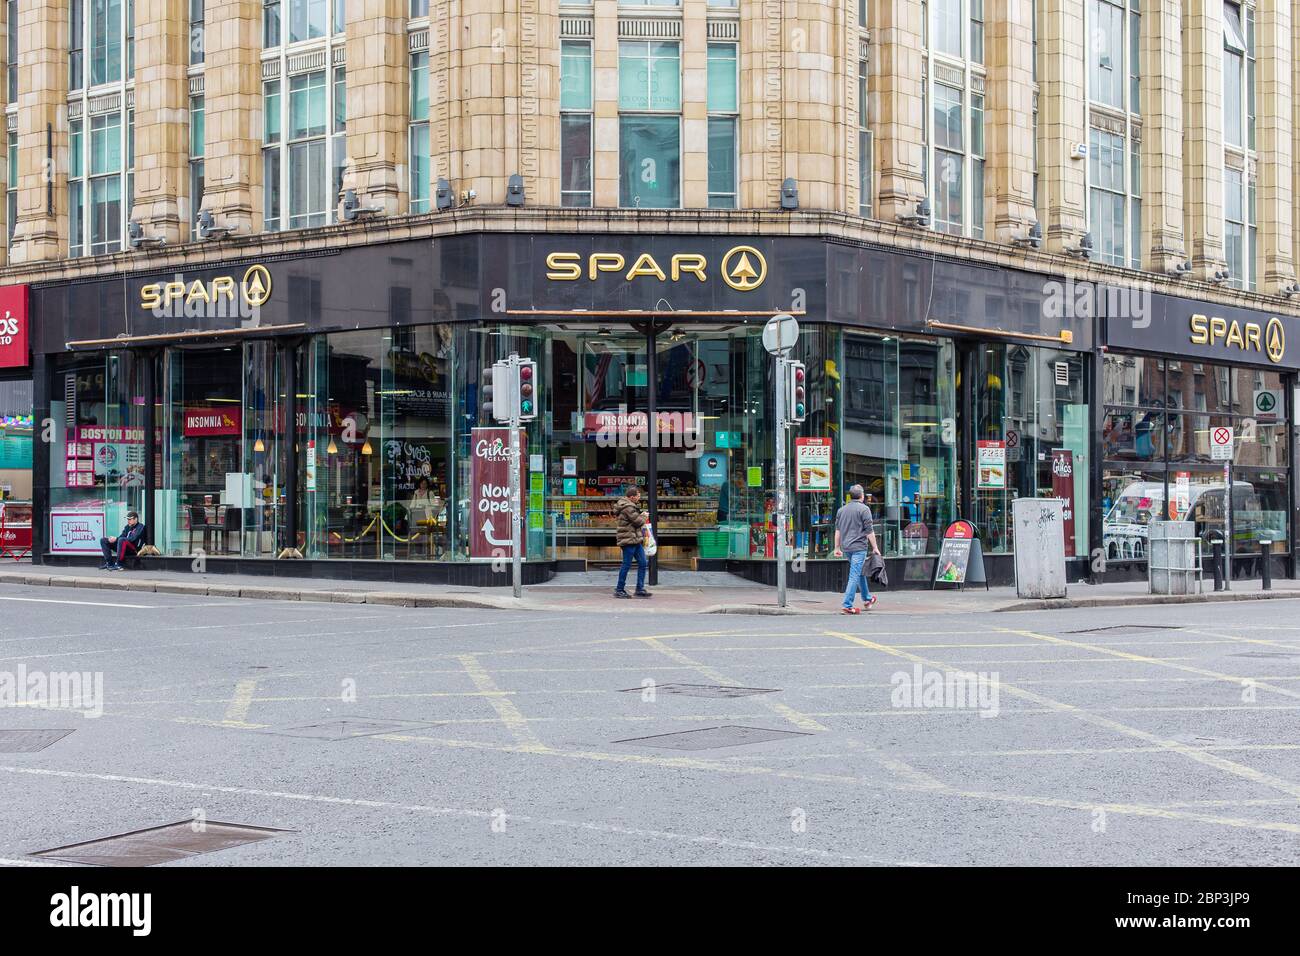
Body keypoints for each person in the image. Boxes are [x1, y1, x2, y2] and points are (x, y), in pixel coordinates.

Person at [833, 484, 881, 614]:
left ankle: (867, 598)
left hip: (846, 547)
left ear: (850, 496)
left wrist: (837, 547)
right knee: (854, 574)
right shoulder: (864, 510)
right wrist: (875, 547)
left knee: (858, 572)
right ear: (862, 496)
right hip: (859, 547)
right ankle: (847, 605)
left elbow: (838, 531)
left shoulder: (841, 510)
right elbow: (869, 531)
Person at [614, 484, 651, 599]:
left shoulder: (629, 506)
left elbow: (633, 521)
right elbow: (637, 521)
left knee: (643, 563)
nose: (639, 498)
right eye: (638, 496)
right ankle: (619, 589)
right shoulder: (627, 507)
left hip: (634, 539)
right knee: (626, 564)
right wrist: (644, 516)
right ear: (631, 497)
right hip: (628, 540)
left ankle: (639, 588)